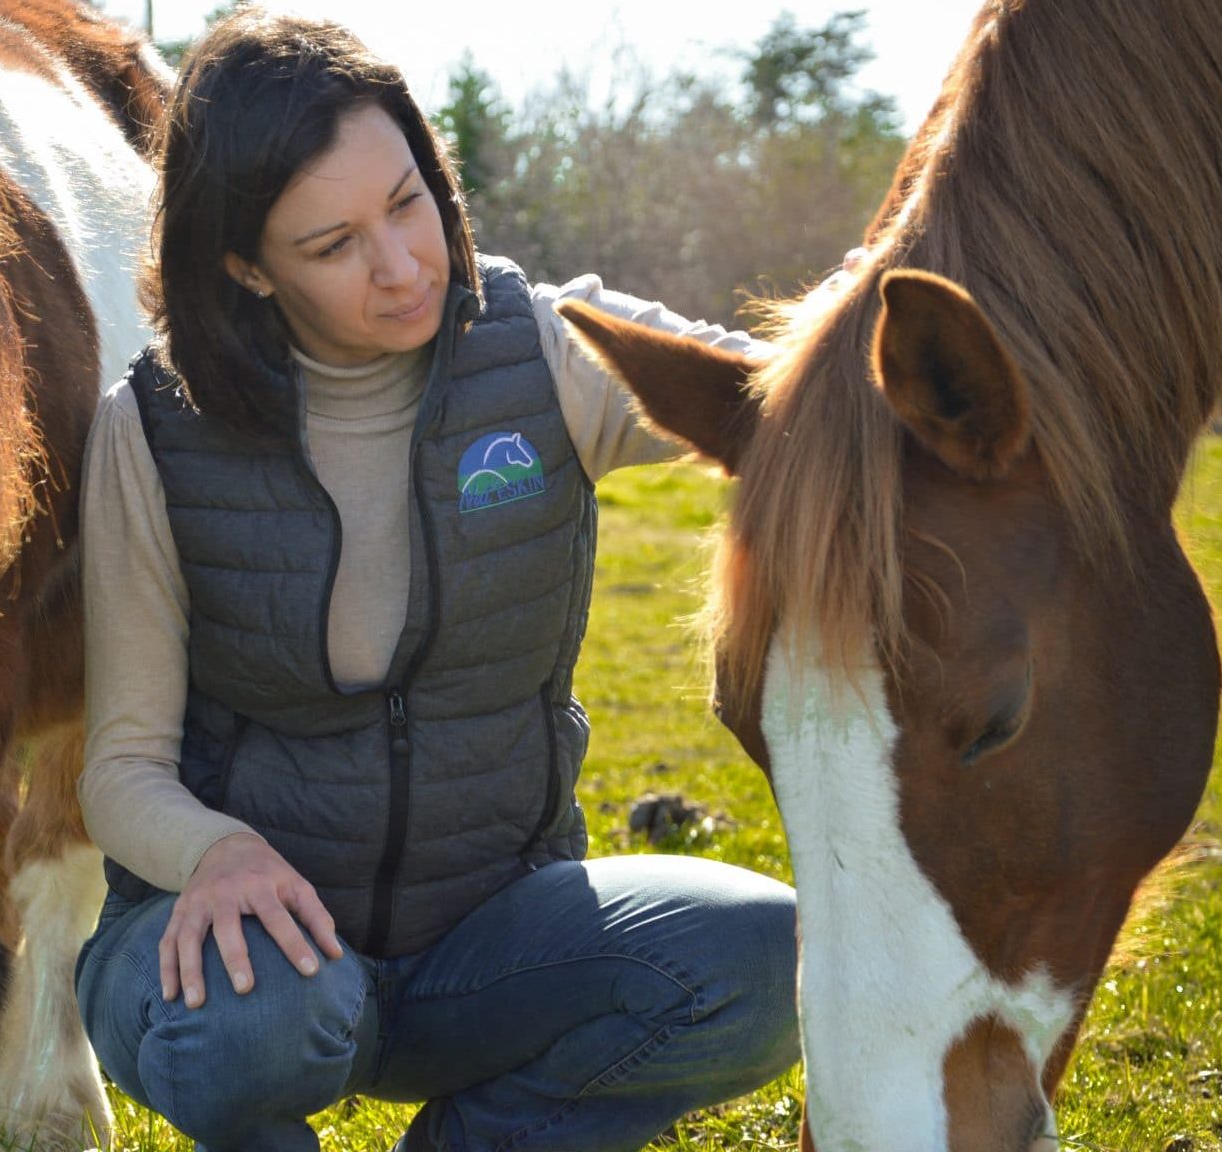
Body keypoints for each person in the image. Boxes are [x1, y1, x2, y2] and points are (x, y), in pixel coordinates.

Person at [74, 10, 799, 1151]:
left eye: (407, 201)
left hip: (491, 941)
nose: (404, 266)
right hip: (257, 964)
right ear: (243, 266)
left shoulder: (549, 347)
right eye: (333, 245)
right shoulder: (153, 430)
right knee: (254, 1028)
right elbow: (119, 768)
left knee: (764, 959)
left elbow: (778, 394)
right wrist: (215, 855)